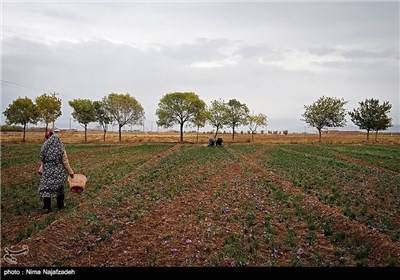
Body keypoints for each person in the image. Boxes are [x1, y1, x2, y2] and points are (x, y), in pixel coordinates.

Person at [38, 131, 74, 213]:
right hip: (58, 172)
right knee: (59, 188)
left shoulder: (44, 148)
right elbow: (65, 162)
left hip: (47, 171)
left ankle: (46, 207)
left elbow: (42, 159)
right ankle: (60, 205)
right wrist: (71, 173)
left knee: (46, 189)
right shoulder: (60, 148)